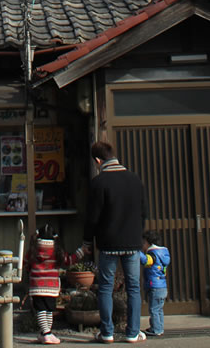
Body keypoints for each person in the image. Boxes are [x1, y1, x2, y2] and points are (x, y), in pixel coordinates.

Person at [82, 141, 148, 344]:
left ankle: (107, 332)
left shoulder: (99, 182)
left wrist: (87, 240)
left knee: (105, 287)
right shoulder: (135, 179)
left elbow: (93, 217)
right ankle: (133, 332)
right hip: (132, 243)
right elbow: (144, 212)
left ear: (98, 160)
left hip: (108, 243)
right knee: (134, 288)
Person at [27, 224, 86, 345]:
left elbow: (25, 262)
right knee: (49, 310)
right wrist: (81, 251)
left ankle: (45, 333)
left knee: (40, 310)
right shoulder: (57, 250)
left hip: (36, 286)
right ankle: (47, 332)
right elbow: (69, 261)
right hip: (51, 286)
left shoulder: (33, 250)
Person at [140, 230, 170, 337]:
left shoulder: (153, 254)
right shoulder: (163, 253)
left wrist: (137, 252)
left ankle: (156, 329)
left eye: (143, 243)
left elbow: (146, 261)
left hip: (155, 286)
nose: (142, 245)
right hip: (162, 286)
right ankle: (159, 327)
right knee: (158, 309)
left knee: (153, 309)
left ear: (148, 243)